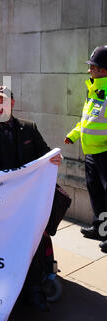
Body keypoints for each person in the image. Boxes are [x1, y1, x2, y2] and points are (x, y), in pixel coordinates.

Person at [0, 86, 62, 311]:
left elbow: (45, 154)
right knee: (0, 244)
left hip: (25, 199)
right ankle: (1, 288)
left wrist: (55, 157)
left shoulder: (29, 128)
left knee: (30, 239)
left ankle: (35, 288)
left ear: (12, 103)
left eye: (3, 100)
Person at [65, 46, 107, 253]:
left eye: (93, 67)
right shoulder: (93, 90)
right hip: (91, 152)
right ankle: (101, 229)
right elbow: (87, 120)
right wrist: (73, 135)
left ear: (104, 70)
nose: (89, 70)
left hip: (105, 153)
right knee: (95, 192)